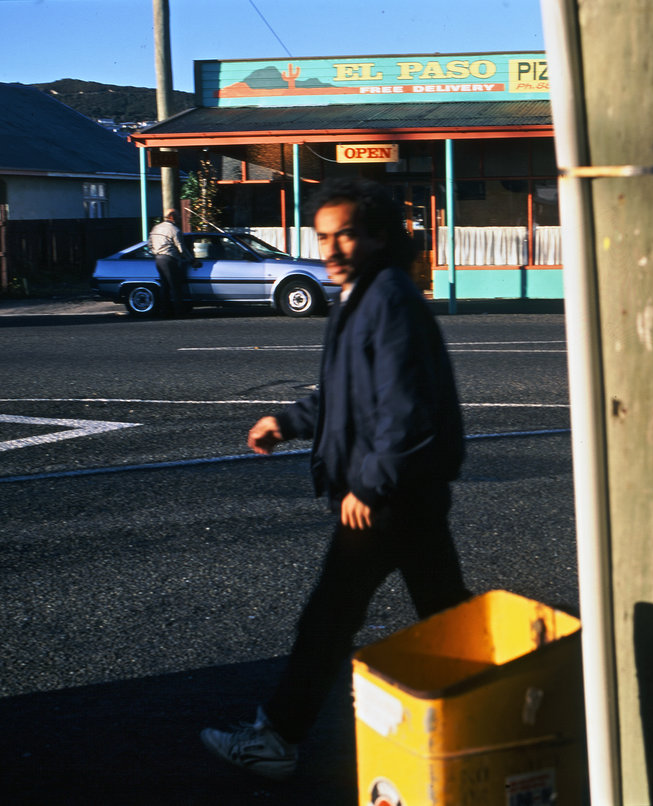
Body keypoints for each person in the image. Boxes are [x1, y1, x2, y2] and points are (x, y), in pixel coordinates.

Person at [200, 177, 470, 781]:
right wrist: (288, 420)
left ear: (377, 234)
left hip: (387, 499)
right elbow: (348, 395)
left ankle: (278, 739)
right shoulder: (365, 293)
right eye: (323, 236)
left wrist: (370, 487)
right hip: (406, 494)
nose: (331, 249)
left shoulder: (388, 298)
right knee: (448, 616)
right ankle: (499, 717)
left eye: (345, 234)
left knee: (329, 619)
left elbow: (406, 409)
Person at [147, 208, 193, 315]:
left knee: (165, 285)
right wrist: (191, 260)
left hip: (158, 259)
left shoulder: (156, 228)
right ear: (172, 216)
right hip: (170, 259)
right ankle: (179, 311)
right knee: (175, 286)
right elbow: (181, 248)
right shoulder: (174, 230)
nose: (179, 218)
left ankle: (165, 310)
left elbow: (149, 245)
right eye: (177, 215)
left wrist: (156, 252)